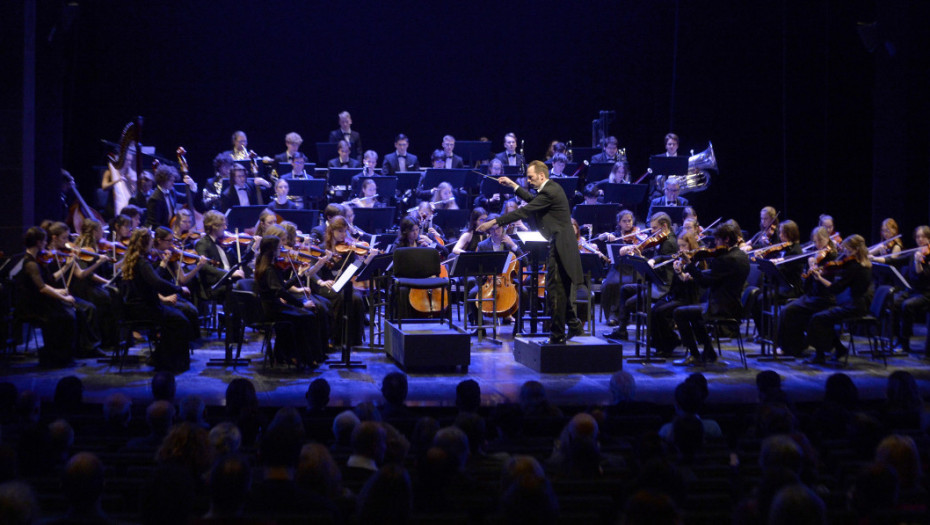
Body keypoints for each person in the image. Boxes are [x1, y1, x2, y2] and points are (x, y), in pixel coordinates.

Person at [477, 161, 584, 344]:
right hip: (560, 245)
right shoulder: (550, 189)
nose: (529, 181)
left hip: (561, 247)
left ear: (541, 176)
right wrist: (513, 185)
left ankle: (557, 336)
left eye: (531, 177)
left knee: (555, 291)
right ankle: (574, 326)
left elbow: (525, 210)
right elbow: (533, 201)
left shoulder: (550, 191)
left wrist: (493, 223)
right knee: (560, 290)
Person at [785, 234, 873, 364]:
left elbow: (836, 288)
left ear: (856, 250)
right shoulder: (864, 265)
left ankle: (819, 355)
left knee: (817, 318)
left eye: (848, 251)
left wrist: (820, 278)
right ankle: (839, 348)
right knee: (823, 318)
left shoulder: (856, 267)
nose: (846, 255)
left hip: (853, 307)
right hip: (853, 304)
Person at [672, 220, 750, 365]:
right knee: (693, 314)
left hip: (720, 308)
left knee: (679, 312)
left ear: (726, 239)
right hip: (734, 305)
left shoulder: (726, 259)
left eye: (717, 239)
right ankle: (709, 352)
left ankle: (695, 355)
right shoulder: (741, 255)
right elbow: (719, 276)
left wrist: (689, 265)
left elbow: (704, 282)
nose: (715, 243)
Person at [121, 228, 194, 372]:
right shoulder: (142, 262)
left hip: (136, 307)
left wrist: (162, 266)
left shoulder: (134, 259)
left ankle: (160, 357)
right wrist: (179, 289)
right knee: (181, 321)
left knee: (176, 317)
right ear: (145, 243)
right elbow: (157, 283)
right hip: (144, 309)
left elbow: (152, 279)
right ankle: (173, 363)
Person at [14, 227, 84, 367]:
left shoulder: (36, 260)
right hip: (32, 305)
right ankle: (57, 358)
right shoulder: (31, 263)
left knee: (71, 314)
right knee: (66, 317)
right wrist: (63, 297)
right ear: (39, 242)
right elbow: (42, 288)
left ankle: (64, 356)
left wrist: (59, 290)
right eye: (45, 240)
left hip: (40, 301)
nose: (46, 244)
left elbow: (46, 282)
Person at [254, 235, 325, 367]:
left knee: (305, 314)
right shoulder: (269, 269)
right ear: (272, 250)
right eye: (279, 248)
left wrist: (299, 274)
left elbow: (282, 287)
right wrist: (301, 303)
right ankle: (307, 358)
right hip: (272, 310)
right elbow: (280, 292)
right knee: (308, 315)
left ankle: (295, 355)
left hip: (273, 306)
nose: (282, 250)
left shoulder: (264, 265)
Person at [146, 164, 199, 229]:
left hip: (170, 230)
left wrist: (192, 187)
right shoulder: (154, 199)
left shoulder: (171, 191)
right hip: (161, 234)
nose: (173, 183)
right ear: (163, 180)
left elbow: (185, 199)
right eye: (171, 180)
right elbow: (155, 224)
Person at [101, 142, 137, 216]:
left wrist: (132, 184)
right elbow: (104, 187)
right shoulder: (109, 172)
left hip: (127, 205)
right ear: (121, 160)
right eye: (127, 160)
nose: (129, 163)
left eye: (130, 160)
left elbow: (133, 193)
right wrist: (117, 180)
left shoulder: (129, 175)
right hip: (112, 205)